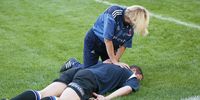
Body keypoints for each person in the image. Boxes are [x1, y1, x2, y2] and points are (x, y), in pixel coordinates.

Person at [10, 58, 143, 100]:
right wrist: (106, 98)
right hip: (88, 79)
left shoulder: (109, 62)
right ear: (136, 72)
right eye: (139, 78)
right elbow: (128, 88)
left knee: (41, 93)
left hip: (78, 71)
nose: (138, 81)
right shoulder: (131, 75)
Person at [83, 5, 150, 68]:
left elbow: (124, 45)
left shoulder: (132, 25)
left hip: (112, 45)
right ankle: (74, 64)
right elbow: (108, 39)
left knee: (111, 70)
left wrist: (115, 59)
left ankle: (101, 64)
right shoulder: (114, 12)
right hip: (95, 41)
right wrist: (114, 61)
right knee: (89, 70)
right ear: (133, 18)